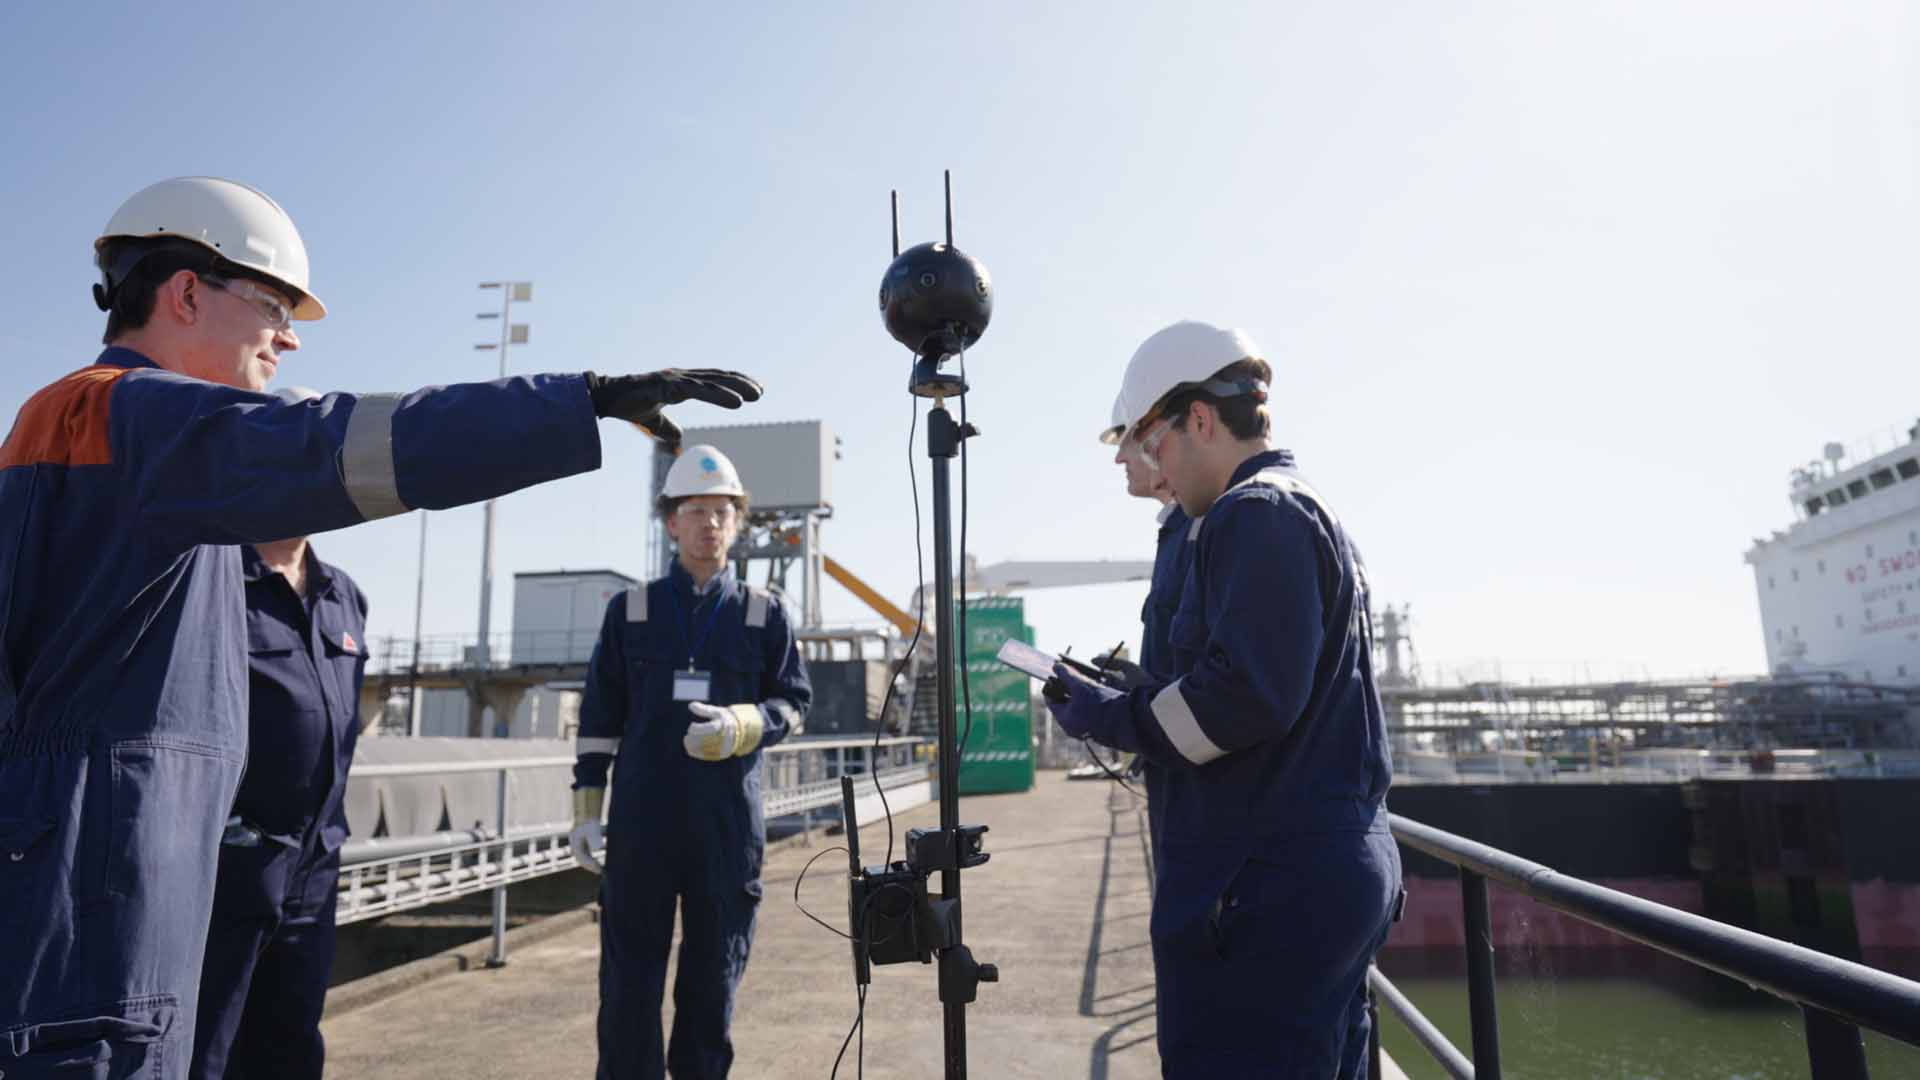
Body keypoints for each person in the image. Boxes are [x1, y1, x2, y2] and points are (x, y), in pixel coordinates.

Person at [0, 176, 764, 1078]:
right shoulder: (115, 416)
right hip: (87, 928)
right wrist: (575, 403)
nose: (286, 339)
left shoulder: (165, 472)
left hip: (121, 901)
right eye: (273, 307)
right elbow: (348, 444)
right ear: (187, 291)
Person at [1046, 321, 1402, 1078]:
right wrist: (1130, 696)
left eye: (1150, 440)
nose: (1147, 464)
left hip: (1268, 882)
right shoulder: (1283, 511)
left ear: (1198, 419)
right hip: (1300, 869)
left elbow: (1243, 698)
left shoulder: (1256, 514)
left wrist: (1108, 717)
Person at [569, 444, 810, 1079]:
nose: (709, 522)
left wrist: (747, 723)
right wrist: (587, 810)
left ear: (738, 522)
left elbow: (795, 700)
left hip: (726, 828)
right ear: (670, 522)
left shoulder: (764, 613)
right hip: (643, 828)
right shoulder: (632, 612)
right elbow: (598, 720)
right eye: (695, 510)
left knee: (713, 981)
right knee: (627, 985)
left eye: (722, 511)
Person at [182, 390, 364, 1080]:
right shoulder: (210, 573)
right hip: (224, 869)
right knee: (207, 1049)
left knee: (291, 1047)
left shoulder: (342, 593)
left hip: (314, 871)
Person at [1091, 396, 1193, 859]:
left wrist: (1122, 714)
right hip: (1181, 792)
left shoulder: (1211, 526)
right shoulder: (1177, 530)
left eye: (1126, 440)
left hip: (1205, 808)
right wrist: (1138, 691)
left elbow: (1232, 694)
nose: (1119, 458)